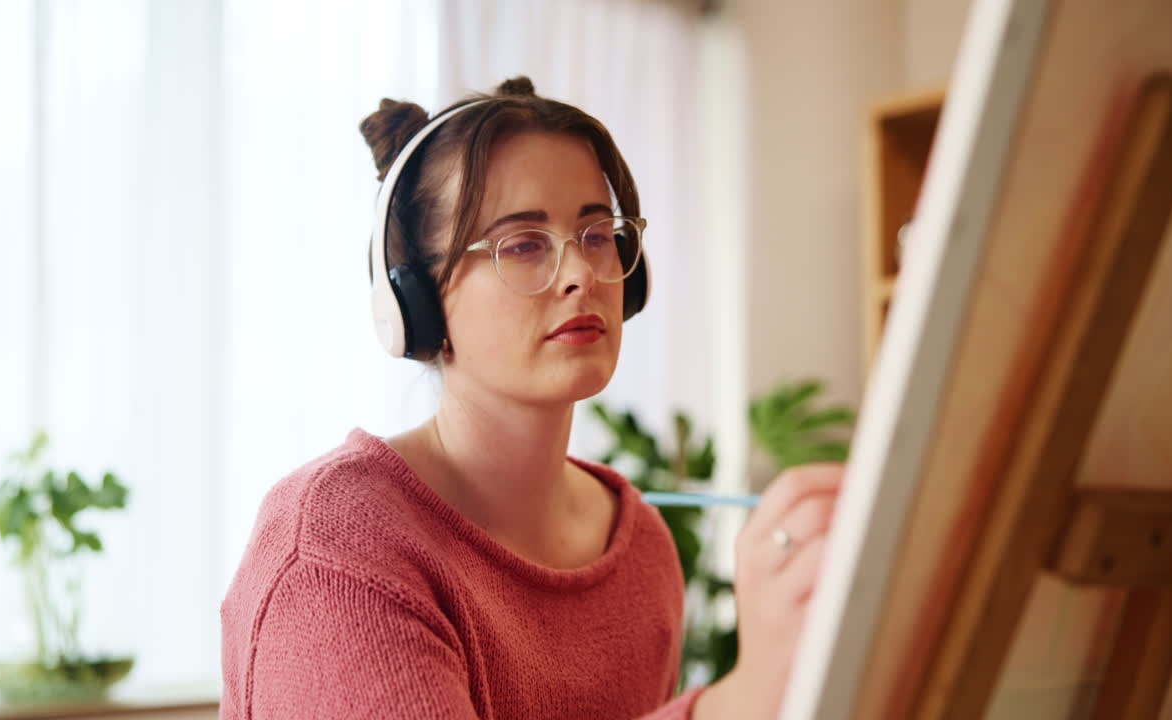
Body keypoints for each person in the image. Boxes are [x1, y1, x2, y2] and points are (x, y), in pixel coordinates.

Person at [219, 76, 844, 719]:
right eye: (522, 245)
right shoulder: (337, 548)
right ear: (417, 301)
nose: (580, 275)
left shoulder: (641, 549)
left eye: (598, 235)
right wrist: (740, 702)